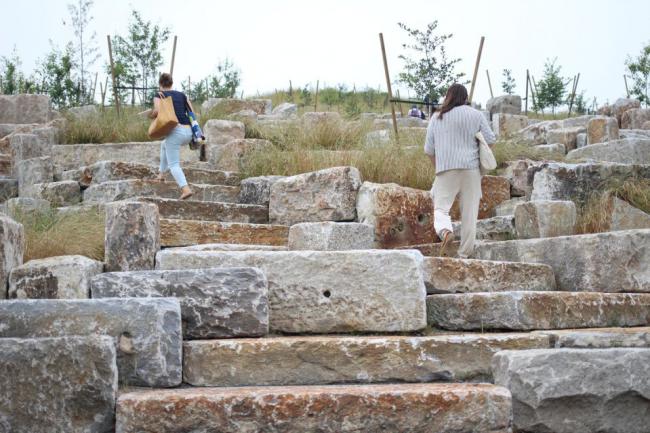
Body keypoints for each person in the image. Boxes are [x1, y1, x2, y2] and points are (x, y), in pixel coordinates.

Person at [424, 83, 496, 258]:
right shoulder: (476, 115)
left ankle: (445, 231)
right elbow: (491, 140)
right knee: (469, 214)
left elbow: (428, 150)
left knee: (440, 207)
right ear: (465, 98)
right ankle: (464, 255)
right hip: (471, 169)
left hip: (446, 168)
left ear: (448, 97)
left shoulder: (437, 117)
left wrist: (439, 168)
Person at [149, 72, 195, 200]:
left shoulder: (159, 95)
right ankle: (161, 175)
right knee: (164, 145)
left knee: (174, 164)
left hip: (175, 132)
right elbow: (192, 112)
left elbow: (157, 111)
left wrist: (151, 115)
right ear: (171, 83)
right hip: (189, 132)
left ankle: (185, 189)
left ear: (160, 84)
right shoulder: (182, 95)